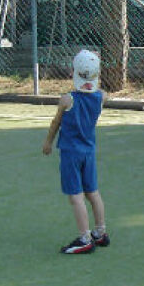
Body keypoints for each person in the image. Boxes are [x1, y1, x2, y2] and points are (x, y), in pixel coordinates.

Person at [43, 49, 109, 255]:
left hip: (71, 153)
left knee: (76, 196)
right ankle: (100, 232)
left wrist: (48, 142)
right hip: (89, 152)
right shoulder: (101, 97)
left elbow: (56, 123)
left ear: (74, 72)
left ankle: (84, 238)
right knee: (93, 192)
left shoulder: (67, 99)